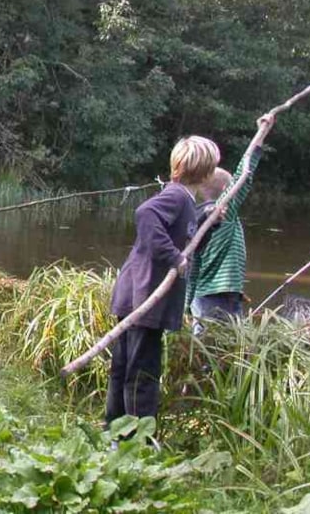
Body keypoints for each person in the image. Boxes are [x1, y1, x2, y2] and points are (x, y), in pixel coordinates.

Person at [106, 135, 220, 429]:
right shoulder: (178, 197)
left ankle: (115, 429)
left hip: (138, 294)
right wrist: (174, 258)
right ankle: (136, 438)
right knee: (142, 372)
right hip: (145, 296)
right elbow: (146, 215)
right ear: (207, 173)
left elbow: (186, 243)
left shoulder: (185, 202)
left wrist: (208, 224)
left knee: (125, 366)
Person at [186, 115, 276, 334]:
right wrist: (262, 132)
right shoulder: (223, 213)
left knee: (205, 346)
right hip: (217, 297)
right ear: (228, 194)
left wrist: (188, 304)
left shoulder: (194, 220)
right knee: (224, 348)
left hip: (202, 297)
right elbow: (244, 173)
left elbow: (191, 266)